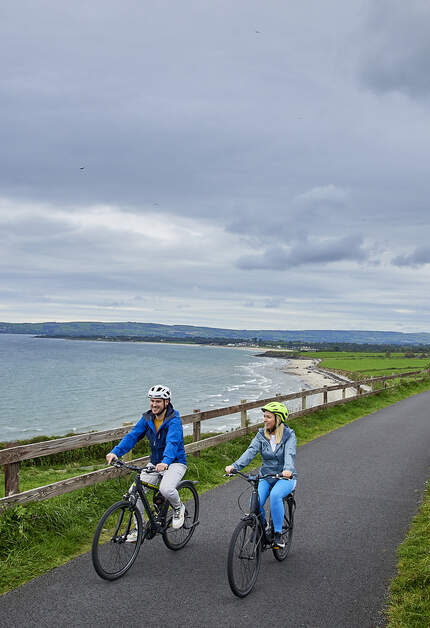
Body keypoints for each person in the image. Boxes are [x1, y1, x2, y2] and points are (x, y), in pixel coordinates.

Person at [106, 384, 187, 539]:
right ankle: (139, 529)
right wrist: (115, 452)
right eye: (152, 401)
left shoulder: (174, 420)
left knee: (166, 489)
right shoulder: (147, 418)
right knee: (133, 494)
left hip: (175, 462)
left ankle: (178, 508)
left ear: (166, 402)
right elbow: (133, 436)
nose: (154, 404)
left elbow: (172, 443)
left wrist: (166, 462)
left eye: (158, 401)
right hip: (155, 463)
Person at [225, 401, 296, 549]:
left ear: (278, 419)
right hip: (266, 476)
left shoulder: (289, 435)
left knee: (276, 495)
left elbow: (290, 454)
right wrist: (235, 466)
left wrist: (287, 469)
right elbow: (250, 452)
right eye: (264, 416)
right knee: (255, 503)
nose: (264, 420)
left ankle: (277, 535)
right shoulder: (261, 435)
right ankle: (262, 527)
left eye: (268, 417)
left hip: (285, 477)